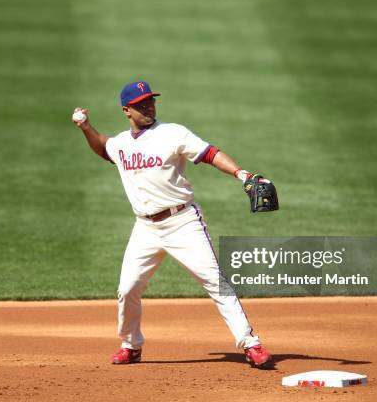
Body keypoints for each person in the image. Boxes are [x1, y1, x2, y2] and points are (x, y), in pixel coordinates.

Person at [72, 81, 271, 367]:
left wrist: (242, 174)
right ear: (127, 111)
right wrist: (86, 128)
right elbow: (104, 148)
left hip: (183, 222)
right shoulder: (122, 144)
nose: (149, 107)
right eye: (141, 105)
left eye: (150, 102)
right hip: (145, 229)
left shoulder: (173, 133)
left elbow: (210, 153)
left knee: (215, 282)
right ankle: (131, 345)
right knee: (128, 288)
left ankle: (250, 343)